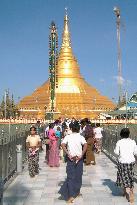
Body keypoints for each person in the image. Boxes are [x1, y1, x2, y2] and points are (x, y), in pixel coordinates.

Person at [59, 121, 87, 203]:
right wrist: (82, 154)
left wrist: (68, 153)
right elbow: (85, 145)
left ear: (71, 129)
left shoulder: (68, 136)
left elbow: (63, 144)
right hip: (79, 158)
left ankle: (72, 195)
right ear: (79, 129)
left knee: (70, 177)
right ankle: (76, 192)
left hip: (71, 158)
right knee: (79, 176)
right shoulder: (81, 137)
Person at [114, 128, 137, 203]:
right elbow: (135, 152)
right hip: (131, 161)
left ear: (121, 134)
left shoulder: (119, 142)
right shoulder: (133, 142)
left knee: (124, 177)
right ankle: (128, 191)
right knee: (130, 176)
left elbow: (116, 152)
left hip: (123, 161)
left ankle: (129, 193)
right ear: (128, 134)